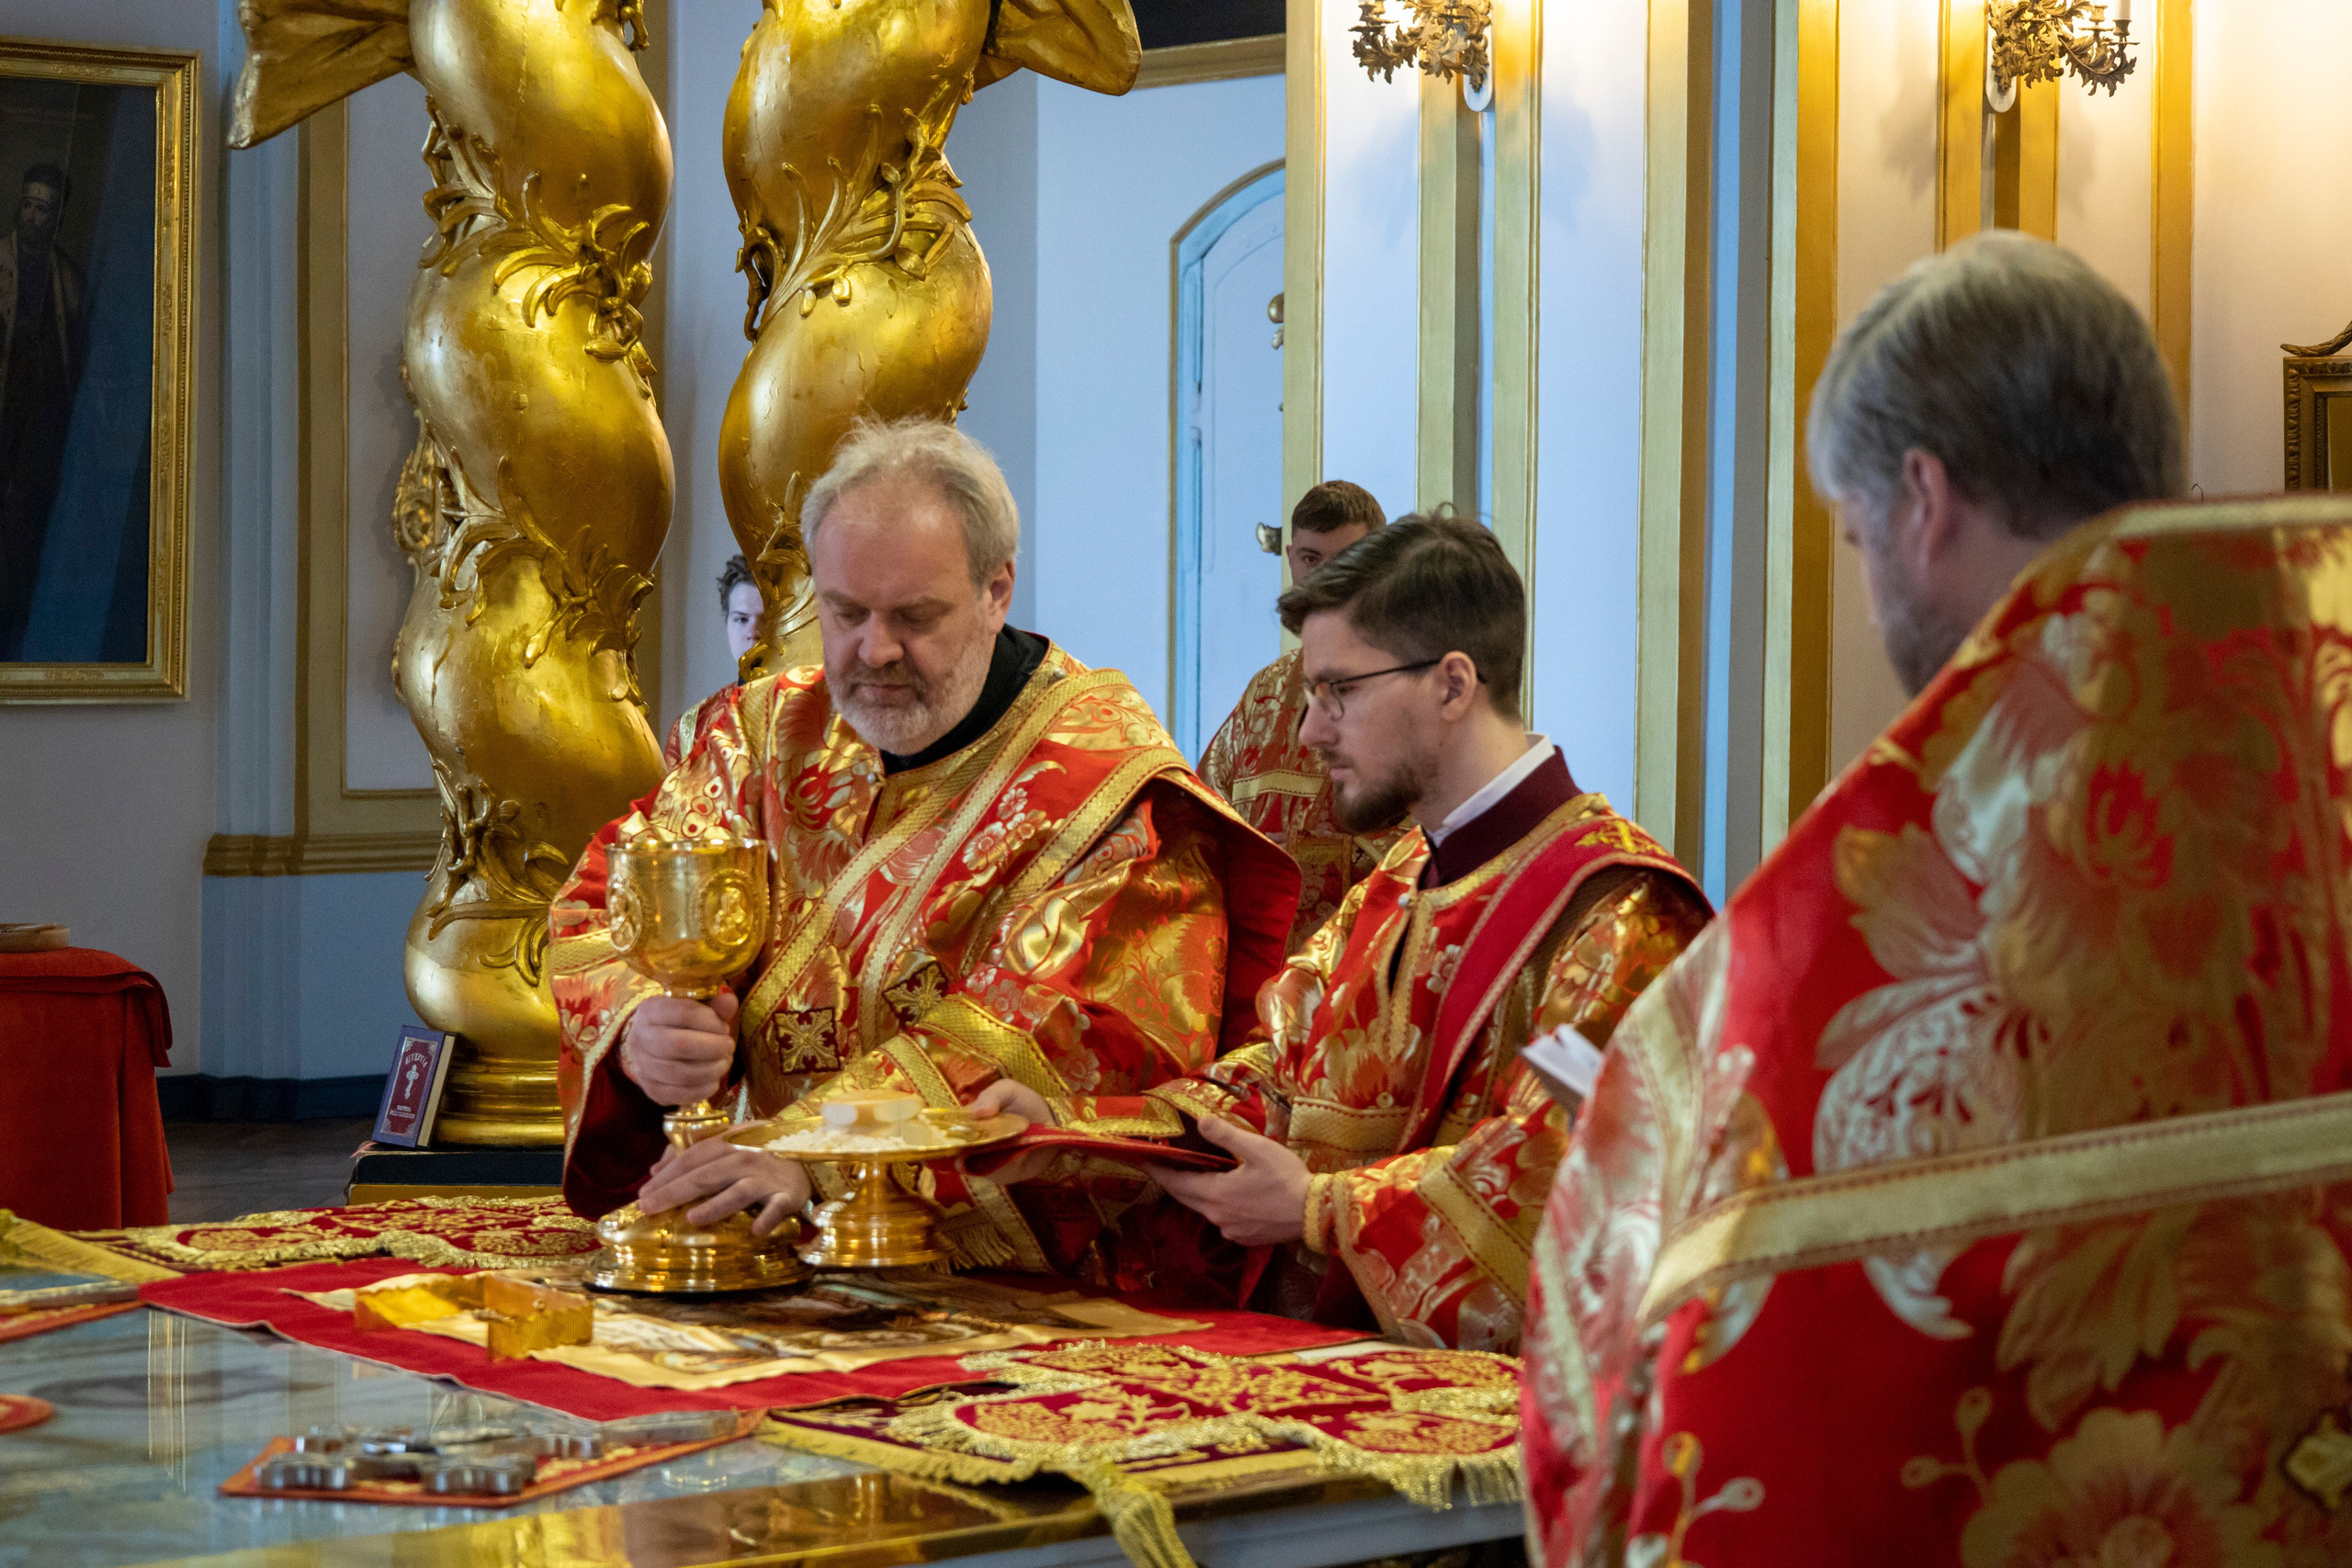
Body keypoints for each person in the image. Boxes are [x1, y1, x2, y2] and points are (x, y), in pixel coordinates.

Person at [1520, 231, 2352, 1565]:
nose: (1866, 594)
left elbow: (1705, 1407)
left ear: (1924, 497)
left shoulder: (1889, 893)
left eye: (1855, 536)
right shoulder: (2315, 749)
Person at [551, 417, 1298, 1280]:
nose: (875, 651)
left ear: (997, 589)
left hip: (985, 1282)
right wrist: (640, 1017)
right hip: (747, 1231)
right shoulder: (760, 731)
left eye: (916, 615)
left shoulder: (1107, 796)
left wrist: (809, 1158)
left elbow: (1032, 1045)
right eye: (845, 613)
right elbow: (603, 898)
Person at [978, 516, 1710, 1349]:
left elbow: (1566, 1177)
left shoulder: (1618, 912)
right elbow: (1276, 1077)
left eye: (1340, 693)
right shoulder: (1400, 877)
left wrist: (1319, 1211)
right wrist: (1073, 1132)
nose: (1308, 733)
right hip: (1330, 1365)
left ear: (1453, 684)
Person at [1200, 479, 1408, 952]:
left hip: (1359, 979)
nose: (1326, 582)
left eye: (1346, 562)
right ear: (1292, 560)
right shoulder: (1264, 695)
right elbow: (1203, 831)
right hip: (1258, 983)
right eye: (1312, 561)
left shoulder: (1408, 689)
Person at [0, 164, 86, 660]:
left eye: (45, 209)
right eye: (29, 205)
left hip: (38, 430)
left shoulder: (69, 281)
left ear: (57, 218)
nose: (34, 217)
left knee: (25, 526)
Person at [662, 555, 766, 768]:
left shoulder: (813, 714)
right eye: (741, 619)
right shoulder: (692, 728)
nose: (753, 632)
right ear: (726, 621)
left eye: (766, 619)